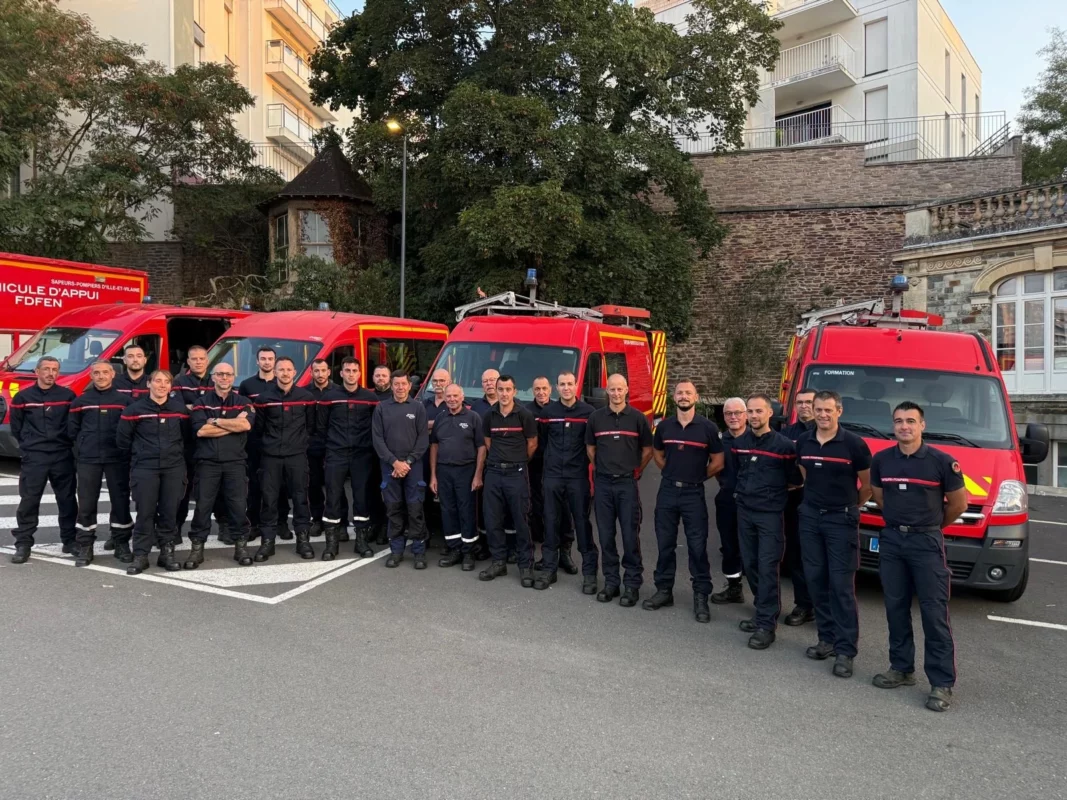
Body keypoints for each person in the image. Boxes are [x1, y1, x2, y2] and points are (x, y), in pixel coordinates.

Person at [870, 401, 966, 713]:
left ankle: (941, 683)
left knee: (933, 614)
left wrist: (931, 527)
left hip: (926, 542)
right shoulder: (882, 460)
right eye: (898, 421)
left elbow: (958, 504)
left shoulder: (942, 461)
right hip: (893, 540)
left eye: (910, 421)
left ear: (922, 425)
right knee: (895, 608)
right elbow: (880, 497)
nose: (904, 426)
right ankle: (902, 668)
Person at [795, 390, 872, 679]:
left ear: (839, 411)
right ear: (812, 411)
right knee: (815, 580)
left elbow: (866, 484)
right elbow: (805, 474)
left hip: (841, 520)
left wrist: (850, 506)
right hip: (811, 518)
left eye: (829, 410)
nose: (823, 415)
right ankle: (826, 640)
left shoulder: (854, 444)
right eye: (818, 409)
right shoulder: (804, 441)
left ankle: (845, 650)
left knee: (841, 586)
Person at [645, 381, 724, 623]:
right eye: (679, 392)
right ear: (674, 397)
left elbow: (718, 461)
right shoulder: (665, 426)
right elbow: (657, 453)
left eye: (688, 392)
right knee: (665, 543)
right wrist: (667, 470)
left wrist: (699, 476)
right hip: (667, 491)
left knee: (697, 546)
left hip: (693, 494)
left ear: (696, 397)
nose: (683, 396)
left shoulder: (708, 428)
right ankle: (664, 590)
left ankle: (701, 596)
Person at [730, 393, 803, 650]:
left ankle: (766, 626)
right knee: (750, 565)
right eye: (750, 411)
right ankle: (763, 612)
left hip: (770, 515)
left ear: (770, 413)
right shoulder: (740, 443)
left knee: (767, 567)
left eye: (759, 411)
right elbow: (734, 472)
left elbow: (795, 479)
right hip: (745, 512)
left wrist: (772, 495)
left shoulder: (784, 447)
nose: (753, 416)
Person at [585, 374, 653, 606]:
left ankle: (632, 584)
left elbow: (647, 450)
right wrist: (601, 468)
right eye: (611, 389)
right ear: (607, 391)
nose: (615, 393)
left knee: (629, 535)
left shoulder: (638, 419)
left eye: (619, 389)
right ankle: (612, 582)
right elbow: (590, 448)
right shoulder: (596, 418)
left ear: (627, 390)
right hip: (603, 484)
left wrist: (636, 471)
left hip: (627, 484)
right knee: (605, 536)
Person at [116, 370, 191, 575]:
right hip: (145, 468)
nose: (162, 385)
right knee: (145, 512)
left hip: (173, 467)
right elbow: (123, 441)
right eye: (157, 381)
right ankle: (141, 555)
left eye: (166, 382)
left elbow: (188, 439)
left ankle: (166, 553)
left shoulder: (180, 410)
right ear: (148, 384)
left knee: (169, 512)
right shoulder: (134, 410)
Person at [185, 363, 256, 569]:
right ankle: (197, 549)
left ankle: (241, 547)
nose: (224, 378)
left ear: (233, 377)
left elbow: (246, 425)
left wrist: (215, 421)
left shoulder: (244, 402)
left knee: (237, 507)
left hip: (235, 463)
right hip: (207, 464)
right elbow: (201, 432)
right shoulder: (201, 403)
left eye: (228, 374)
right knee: (202, 507)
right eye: (220, 374)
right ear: (213, 377)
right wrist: (232, 424)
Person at [8, 356, 77, 564]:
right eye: (46, 369)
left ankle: (70, 540)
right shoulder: (22, 397)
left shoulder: (67, 396)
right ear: (37, 372)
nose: (50, 373)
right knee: (29, 501)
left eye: (55, 369)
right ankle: (23, 543)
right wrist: (30, 446)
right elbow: (17, 428)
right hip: (35, 456)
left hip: (62, 455)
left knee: (67, 500)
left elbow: (73, 425)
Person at [68, 361, 133, 566]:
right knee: (86, 504)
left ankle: (121, 543)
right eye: (97, 373)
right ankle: (85, 546)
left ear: (113, 374)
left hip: (117, 458)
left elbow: (131, 430)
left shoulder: (125, 401)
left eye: (105, 372)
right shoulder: (81, 401)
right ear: (91, 376)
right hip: (89, 459)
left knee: (121, 502)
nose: (101, 376)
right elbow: (72, 431)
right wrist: (83, 448)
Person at [251, 356, 316, 562]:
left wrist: (301, 445)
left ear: (295, 372)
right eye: (281, 370)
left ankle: (302, 541)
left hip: (296, 457)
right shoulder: (263, 399)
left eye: (289, 369)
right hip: (271, 458)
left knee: (300, 499)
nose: (285, 373)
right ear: (275, 372)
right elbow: (258, 430)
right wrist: (267, 448)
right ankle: (267, 542)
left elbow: (312, 427)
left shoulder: (306, 397)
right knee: (269, 500)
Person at [477, 374, 539, 586]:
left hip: (516, 473)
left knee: (521, 520)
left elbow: (532, 444)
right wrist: (499, 459)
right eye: (500, 389)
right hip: (494, 473)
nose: (504, 393)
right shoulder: (489, 415)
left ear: (515, 391)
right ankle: (498, 562)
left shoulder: (525, 415)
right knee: (493, 520)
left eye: (507, 389)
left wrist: (517, 460)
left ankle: (525, 566)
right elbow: (487, 441)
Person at [537, 370, 594, 591]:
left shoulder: (588, 413)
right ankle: (549, 569)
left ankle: (589, 573)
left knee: (581, 522)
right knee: (550, 520)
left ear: (576, 385)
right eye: (562, 384)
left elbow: (591, 444)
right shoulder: (548, 412)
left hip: (577, 475)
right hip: (552, 475)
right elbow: (542, 442)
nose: (566, 388)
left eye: (570, 383)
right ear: (557, 387)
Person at [318, 357, 380, 560]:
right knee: (333, 497)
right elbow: (321, 427)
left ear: (359, 373)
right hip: (336, 454)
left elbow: (376, 428)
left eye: (355, 370)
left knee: (361, 498)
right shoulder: (329, 397)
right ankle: (331, 545)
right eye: (347, 370)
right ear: (341, 373)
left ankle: (361, 542)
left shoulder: (370, 398)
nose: (351, 373)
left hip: (362, 455)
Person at [372, 371, 429, 568]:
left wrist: (408, 462)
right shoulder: (381, 408)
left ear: (409, 385)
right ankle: (396, 551)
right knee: (393, 510)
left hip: (414, 468)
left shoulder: (418, 408)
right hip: (390, 468)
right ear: (392, 385)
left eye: (403, 384)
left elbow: (423, 440)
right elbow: (377, 440)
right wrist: (394, 462)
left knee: (415, 510)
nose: (400, 387)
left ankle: (419, 553)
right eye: (396, 384)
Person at [429, 383, 485, 570]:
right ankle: (454, 549)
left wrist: (478, 475)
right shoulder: (440, 418)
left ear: (462, 397)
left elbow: (481, 447)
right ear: (444, 398)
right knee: (448, 510)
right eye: (449, 396)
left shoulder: (473, 417)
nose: (452, 399)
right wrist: (433, 476)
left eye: (455, 396)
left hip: (466, 471)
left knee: (467, 510)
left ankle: (469, 551)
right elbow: (434, 446)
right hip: (444, 471)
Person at [240, 346, 289, 541]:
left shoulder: (282, 386)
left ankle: (282, 523)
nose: (267, 362)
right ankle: (254, 524)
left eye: (270, 359)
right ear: (257, 362)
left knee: (281, 485)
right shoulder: (247, 385)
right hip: (254, 444)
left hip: (279, 445)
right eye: (263, 358)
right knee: (254, 485)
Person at [172, 345, 218, 543]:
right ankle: (176, 528)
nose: (198, 362)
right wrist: (206, 410)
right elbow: (177, 409)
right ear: (188, 362)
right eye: (194, 359)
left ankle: (222, 524)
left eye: (202, 358)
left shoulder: (217, 379)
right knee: (182, 489)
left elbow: (223, 408)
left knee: (216, 488)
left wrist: (194, 408)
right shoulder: (179, 382)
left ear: (207, 361)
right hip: (186, 444)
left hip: (212, 443)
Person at [780, 387, 817, 627]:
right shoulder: (787, 433)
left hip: (820, 503)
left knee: (821, 559)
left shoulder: (829, 433)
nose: (804, 406)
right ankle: (804, 605)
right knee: (796, 555)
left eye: (809, 402)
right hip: (793, 502)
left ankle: (824, 608)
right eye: (800, 402)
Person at [710, 397, 747, 605]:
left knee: (755, 549)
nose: (733, 417)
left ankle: (764, 599)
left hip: (753, 504)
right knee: (729, 546)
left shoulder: (757, 438)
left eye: (738, 413)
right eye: (728, 414)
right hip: (727, 500)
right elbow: (716, 468)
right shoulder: (719, 441)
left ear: (746, 415)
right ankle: (734, 589)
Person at [308, 358, 346, 538]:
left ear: (329, 372)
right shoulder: (305, 393)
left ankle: (342, 521)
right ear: (311, 372)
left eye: (323, 370)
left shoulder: (339, 391)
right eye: (316, 371)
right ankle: (317, 519)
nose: (320, 374)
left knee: (336, 485)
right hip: (313, 445)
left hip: (335, 445)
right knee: (314, 485)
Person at [526, 376, 551, 557]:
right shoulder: (526, 411)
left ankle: (551, 535)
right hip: (533, 462)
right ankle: (537, 533)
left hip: (553, 464)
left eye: (544, 388)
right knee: (535, 498)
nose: (541, 392)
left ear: (550, 389)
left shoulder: (557, 409)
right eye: (537, 389)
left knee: (552, 500)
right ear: (532, 391)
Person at [369, 363, 393, 543]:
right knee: (371, 490)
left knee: (389, 492)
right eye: (377, 375)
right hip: (369, 452)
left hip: (390, 453)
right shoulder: (367, 396)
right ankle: (375, 523)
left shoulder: (395, 397)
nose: (380, 379)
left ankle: (387, 526)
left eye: (384, 375)